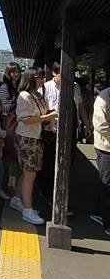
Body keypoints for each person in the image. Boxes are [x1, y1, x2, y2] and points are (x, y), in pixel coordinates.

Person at [10, 67, 58, 225]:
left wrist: (49, 120)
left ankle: (17, 199)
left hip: (34, 137)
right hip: (26, 138)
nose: (42, 80)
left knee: (28, 172)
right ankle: (27, 210)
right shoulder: (24, 96)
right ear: (31, 78)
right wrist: (50, 116)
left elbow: (41, 115)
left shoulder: (38, 96)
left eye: (43, 77)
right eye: (39, 77)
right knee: (30, 173)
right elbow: (26, 119)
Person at [38, 62, 90, 206]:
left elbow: (80, 106)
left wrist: (86, 124)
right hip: (51, 132)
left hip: (70, 130)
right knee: (49, 163)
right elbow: (41, 108)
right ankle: (48, 194)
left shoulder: (74, 87)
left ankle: (60, 194)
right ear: (54, 73)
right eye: (63, 74)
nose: (68, 77)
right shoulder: (46, 87)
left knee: (68, 162)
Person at [90, 86, 110, 236]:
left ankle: (98, 212)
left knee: (106, 182)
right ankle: (106, 221)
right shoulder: (104, 97)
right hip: (105, 146)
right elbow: (101, 125)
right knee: (107, 183)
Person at [0, 62, 21, 189]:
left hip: (18, 120)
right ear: (8, 73)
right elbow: (3, 106)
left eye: (17, 71)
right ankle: (5, 181)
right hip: (8, 120)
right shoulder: (4, 87)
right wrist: (16, 101)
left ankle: (13, 180)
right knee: (8, 150)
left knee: (16, 151)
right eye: (12, 71)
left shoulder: (21, 86)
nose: (15, 74)